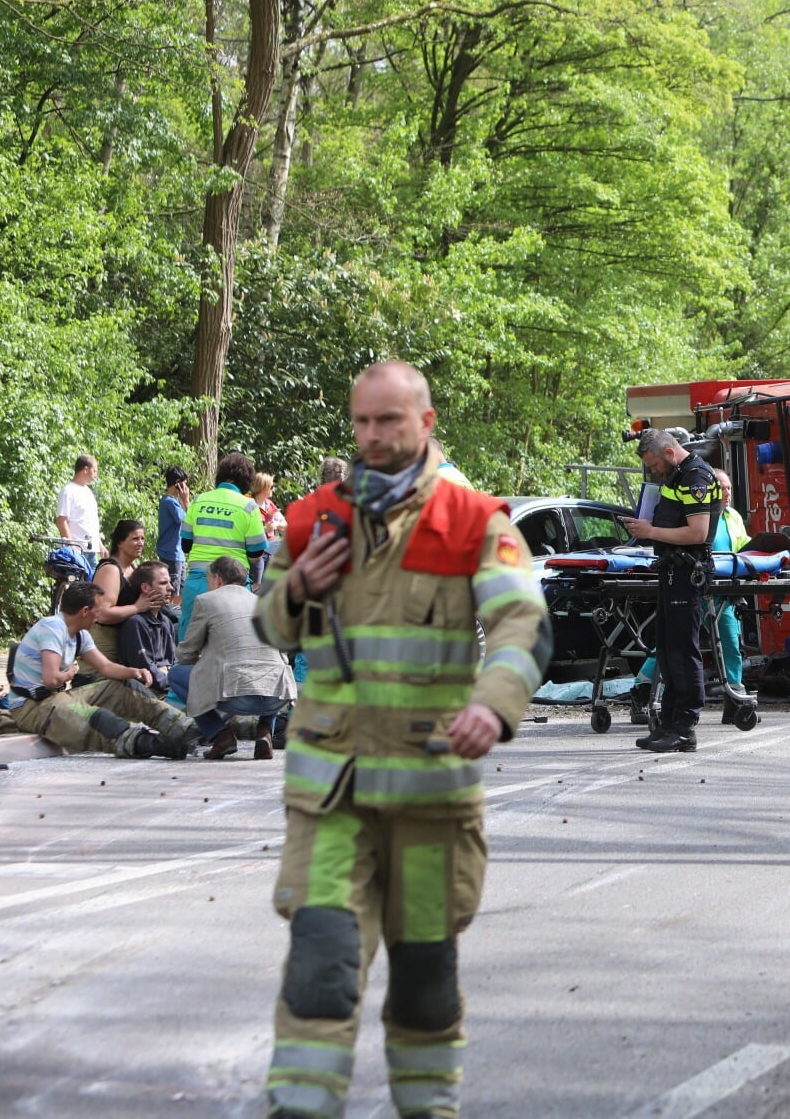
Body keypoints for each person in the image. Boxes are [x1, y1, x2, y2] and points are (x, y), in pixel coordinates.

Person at [253, 359, 551, 1119]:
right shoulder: (312, 518)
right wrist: (296, 589)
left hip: (430, 794)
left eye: (389, 420)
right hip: (332, 793)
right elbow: (267, 625)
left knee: (424, 983)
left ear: (426, 422)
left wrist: (495, 702)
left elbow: (523, 623)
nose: (373, 435)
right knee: (320, 966)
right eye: (362, 421)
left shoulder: (472, 518)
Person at [7, 581, 200, 760]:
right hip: (31, 707)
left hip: (55, 698)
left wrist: (133, 672)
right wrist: (69, 674)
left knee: (125, 688)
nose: (99, 616)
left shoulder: (81, 634)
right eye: (97, 610)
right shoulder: (53, 628)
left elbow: (106, 667)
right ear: (85, 611)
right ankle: (150, 744)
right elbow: (51, 679)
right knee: (96, 718)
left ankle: (185, 728)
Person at [621, 429, 718, 754]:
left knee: (682, 652)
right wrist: (644, 530)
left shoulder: (695, 477)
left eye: (654, 465)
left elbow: (698, 532)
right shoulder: (677, 477)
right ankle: (668, 722)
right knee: (666, 650)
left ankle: (685, 727)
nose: (654, 471)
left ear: (669, 452)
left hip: (687, 572)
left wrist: (650, 530)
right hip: (670, 570)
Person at [628, 466, 749, 726]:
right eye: (721, 487)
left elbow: (744, 548)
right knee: (673, 642)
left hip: (722, 588)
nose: (726, 492)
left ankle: (736, 699)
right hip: (692, 581)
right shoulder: (695, 514)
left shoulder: (733, 517)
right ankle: (641, 689)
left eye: (728, 488)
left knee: (729, 641)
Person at [173, 556, 295, 760]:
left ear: (218, 579)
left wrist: (205, 660)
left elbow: (186, 654)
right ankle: (265, 732)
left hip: (236, 695)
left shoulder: (206, 601)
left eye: (209, 580)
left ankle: (220, 735)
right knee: (272, 665)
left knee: (176, 674)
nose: (209, 585)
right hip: (278, 696)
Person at [178, 452, 268, 640]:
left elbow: (185, 543)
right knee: (233, 645)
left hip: (197, 583)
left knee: (188, 647)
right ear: (247, 482)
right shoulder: (249, 507)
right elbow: (257, 551)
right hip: (234, 589)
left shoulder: (198, 500)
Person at [84, 518, 163, 672]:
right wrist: (137, 607)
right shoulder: (111, 570)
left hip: (126, 646)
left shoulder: (132, 569)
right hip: (106, 649)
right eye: (135, 539)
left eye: (142, 538)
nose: (140, 543)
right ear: (120, 543)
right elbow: (102, 614)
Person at [114, 561, 180, 692]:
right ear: (145, 588)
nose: (171, 588)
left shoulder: (166, 621)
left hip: (169, 687)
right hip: (148, 692)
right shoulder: (135, 624)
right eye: (163, 583)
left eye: (170, 582)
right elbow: (146, 671)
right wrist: (177, 687)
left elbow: (173, 662)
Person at [54, 454, 103, 571]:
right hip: (77, 550)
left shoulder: (88, 492)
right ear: (86, 469)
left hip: (91, 550)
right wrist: (71, 545)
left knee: (95, 587)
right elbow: (61, 521)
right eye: (94, 471)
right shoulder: (68, 491)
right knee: (79, 588)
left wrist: (100, 545)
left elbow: (90, 522)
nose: (95, 475)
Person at [156, 465, 191, 582]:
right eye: (184, 484)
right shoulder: (169, 502)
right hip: (171, 554)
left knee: (180, 592)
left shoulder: (173, 502)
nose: (186, 488)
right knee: (172, 593)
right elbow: (189, 520)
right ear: (178, 483)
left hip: (177, 554)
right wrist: (186, 500)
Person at [252, 471, 283, 584]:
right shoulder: (250, 505)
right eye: (271, 486)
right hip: (257, 549)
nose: (272, 489)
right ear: (262, 488)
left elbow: (285, 524)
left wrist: (276, 525)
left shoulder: (269, 504)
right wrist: (265, 530)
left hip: (271, 548)